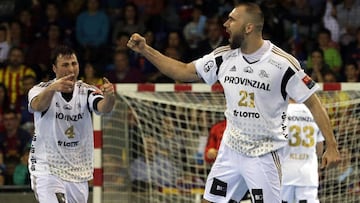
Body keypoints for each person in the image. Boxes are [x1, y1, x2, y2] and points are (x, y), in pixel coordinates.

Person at [127, 3, 340, 202]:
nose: (225, 25)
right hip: (231, 149)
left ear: (248, 27)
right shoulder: (223, 57)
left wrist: (331, 145)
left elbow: (313, 103)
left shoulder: (283, 63)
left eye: (231, 20)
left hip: (264, 153)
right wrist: (146, 50)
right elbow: (183, 71)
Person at [28, 45, 115, 203]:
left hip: (77, 170)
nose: (71, 69)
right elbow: (37, 106)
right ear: (54, 68)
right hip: (47, 167)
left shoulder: (87, 91)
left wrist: (109, 97)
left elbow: (103, 108)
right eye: (65, 65)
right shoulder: (39, 90)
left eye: (74, 64)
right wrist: (53, 88)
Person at [281, 100, 325, 203]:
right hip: (308, 175)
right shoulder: (317, 112)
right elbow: (319, 151)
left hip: (284, 174)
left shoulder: (281, 111)